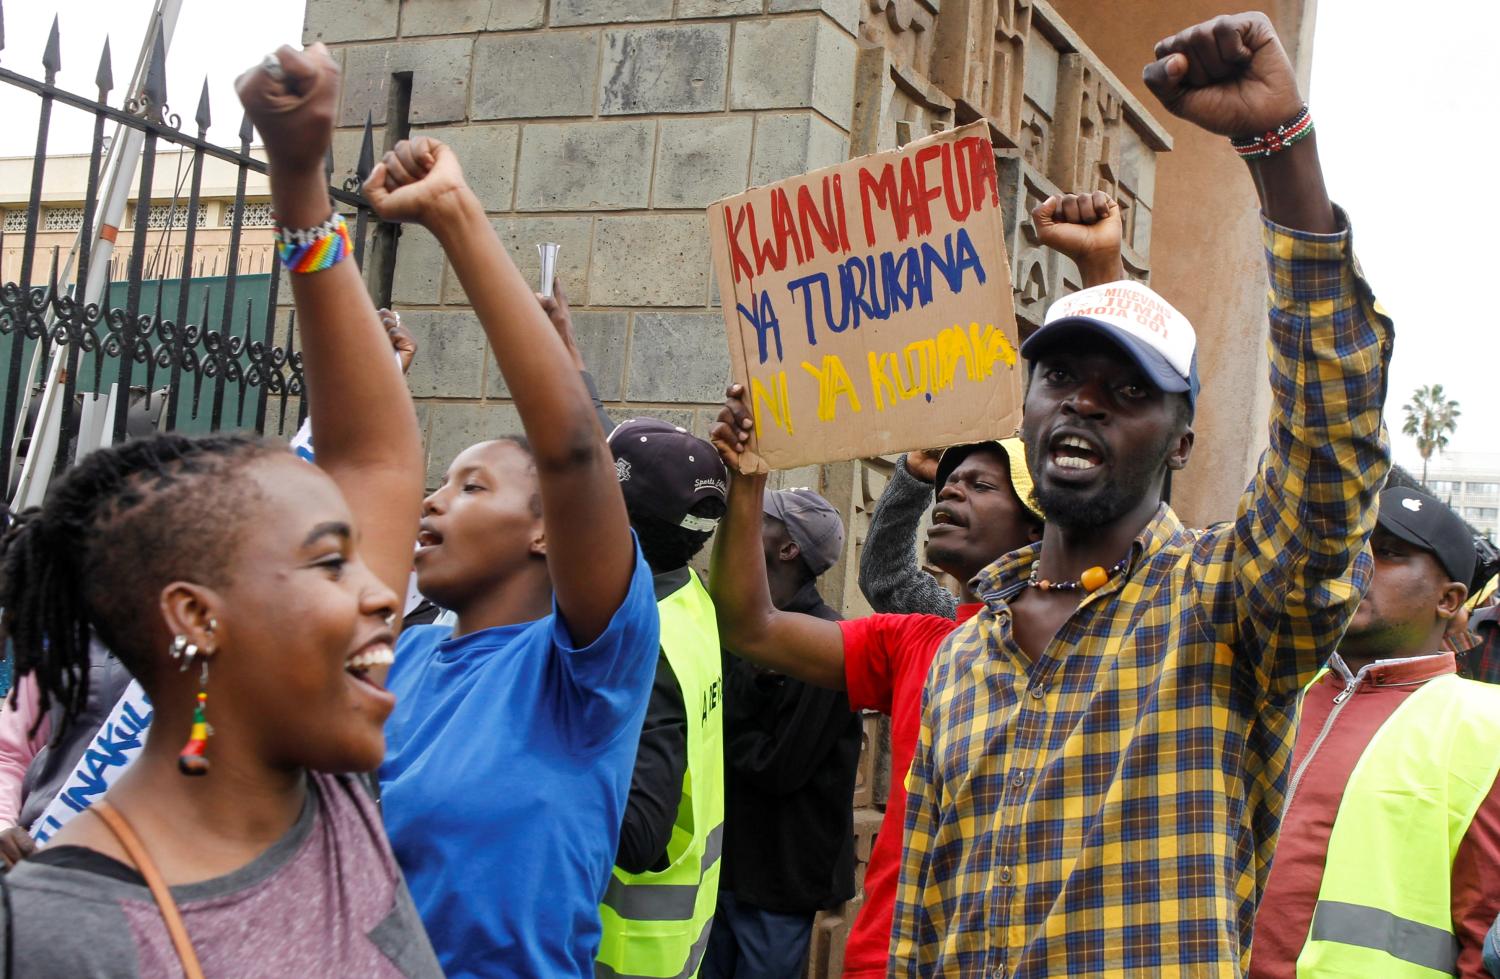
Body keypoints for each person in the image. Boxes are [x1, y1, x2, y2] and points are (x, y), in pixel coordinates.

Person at [871, 13, 1390, 973]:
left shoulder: (1226, 606)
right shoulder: (963, 656)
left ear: (1182, 436)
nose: (1083, 404)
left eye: (1128, 392)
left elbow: (1330, 458)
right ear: (1024, 404)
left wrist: (1282, 155)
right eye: (1059, 377)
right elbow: (924, 922)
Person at [0, 43, 439, 977]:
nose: (384, 594)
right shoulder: (46, 936)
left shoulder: (331, 791)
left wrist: (300, 181)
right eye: (329, 562)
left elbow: (376, 450)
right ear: (197, 618)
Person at [708, 190, 1125, 979]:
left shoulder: (1102, 638)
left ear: (1044, 523)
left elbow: (1126, 479)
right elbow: (750, 624)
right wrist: (748, 480)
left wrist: (1099, 270)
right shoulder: (916, 640)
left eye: (981, 483)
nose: (954, 492)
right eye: (952, 480)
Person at [372, 136, 659, 977]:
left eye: (471, 487)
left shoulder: (586, 675)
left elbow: (572, 451)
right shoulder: (402, 657)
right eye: (442, 481)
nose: (432, 500)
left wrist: (454, 216)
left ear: (546, 530)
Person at [0, 308, 417, 863]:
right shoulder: (75, 625)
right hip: (54, 858)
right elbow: (11, 747)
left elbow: (367, 474)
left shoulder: (258, 640)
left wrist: (374, 377)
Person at [1248, 486, 1500, 978]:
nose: (1357, 564)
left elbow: (1485, 931)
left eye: (1387, 553)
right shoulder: (1279, 689)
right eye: (1354, 545)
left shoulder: (1484, 727)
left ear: (1449, 600)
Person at [703, 488, 862, 979]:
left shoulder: (826, 643)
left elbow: (778, 767)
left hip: (778, 880)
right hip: (724, 870)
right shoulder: (725, 623)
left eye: (761, 517)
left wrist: (707, 736)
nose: (742, 522)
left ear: (787, 548)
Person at [595, 417, 728, 979]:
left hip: (611, 950)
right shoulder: (688, 598)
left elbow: (640, 835)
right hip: (670, 944)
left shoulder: (638, 645)